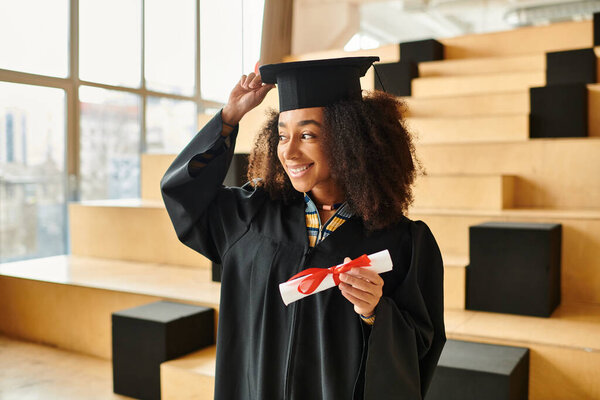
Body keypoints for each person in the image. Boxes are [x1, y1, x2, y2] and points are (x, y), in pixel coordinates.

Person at [160, 56, 446, 400]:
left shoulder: (403, 243)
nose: (290, 152)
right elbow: (183, 197)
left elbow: (420, 348)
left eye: (307, 134)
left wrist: (375, 313)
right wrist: (228, 119)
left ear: (349, 138)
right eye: (282, 136)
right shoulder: (251, 216)